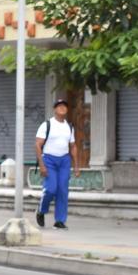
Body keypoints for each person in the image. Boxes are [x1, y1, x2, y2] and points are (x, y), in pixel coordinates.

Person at [35, 98, 81, 229]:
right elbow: (38, 145)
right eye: (59, 106)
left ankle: (59, 220)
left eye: (64, 106)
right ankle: (41, 210)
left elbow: (73, 147)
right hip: (49, 159)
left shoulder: (69, 127)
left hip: (64, 161)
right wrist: (42, 165)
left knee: (62, 190)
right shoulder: (47, 125)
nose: (62, 108)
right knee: (50, 189)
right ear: (54, 109)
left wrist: (76, 166)